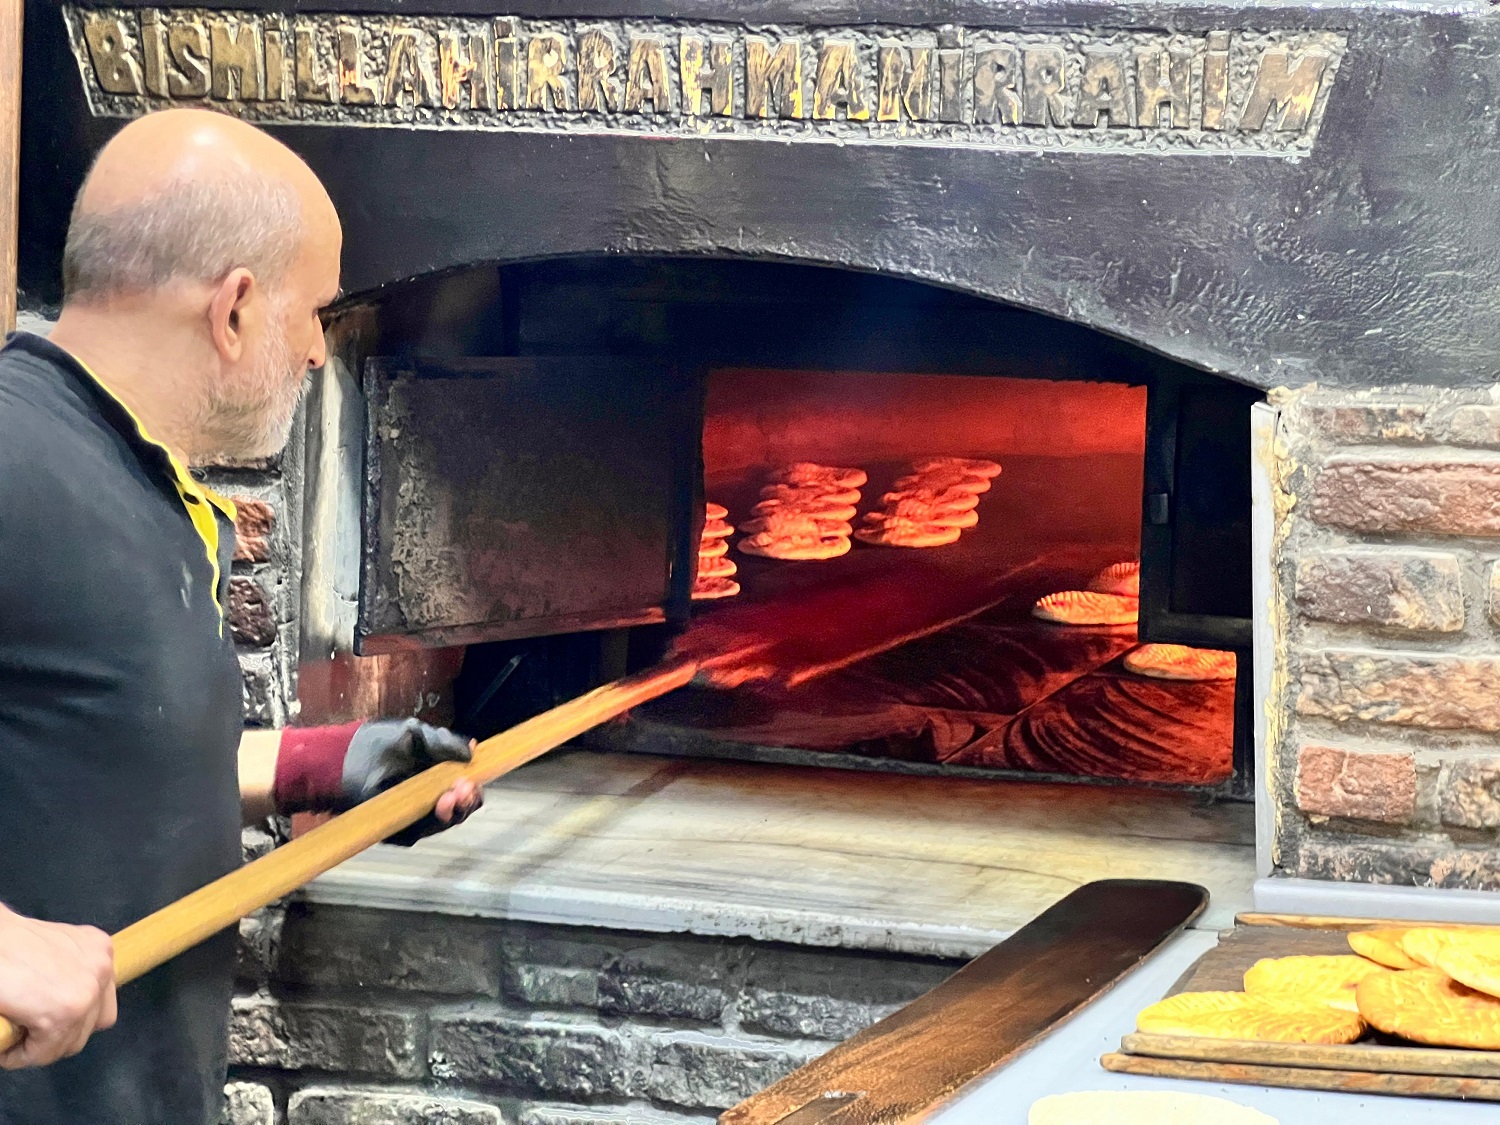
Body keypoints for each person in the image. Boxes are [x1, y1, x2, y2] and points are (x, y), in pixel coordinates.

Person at [0, 109, 482, 1123]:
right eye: (314, 314)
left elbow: (80, 760)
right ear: (234, 310)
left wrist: (319, 768)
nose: (318, 354)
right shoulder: (11, 458)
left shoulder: (150, 488)